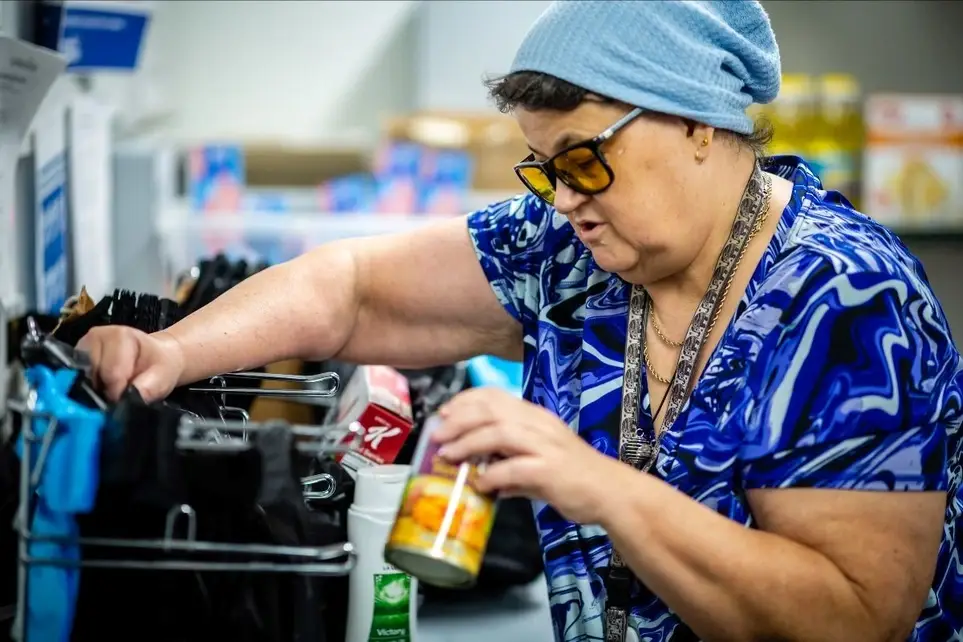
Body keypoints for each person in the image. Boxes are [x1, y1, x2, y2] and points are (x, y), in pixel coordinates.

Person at [79, 1, 962, 641]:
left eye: (585, 159)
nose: (564, 198)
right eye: (545, 168)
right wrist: (170, 351)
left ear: (697, 121)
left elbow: (853, 619)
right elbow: (351, 288)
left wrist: (594, 484)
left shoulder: (847, 301)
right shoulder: (569, 252)